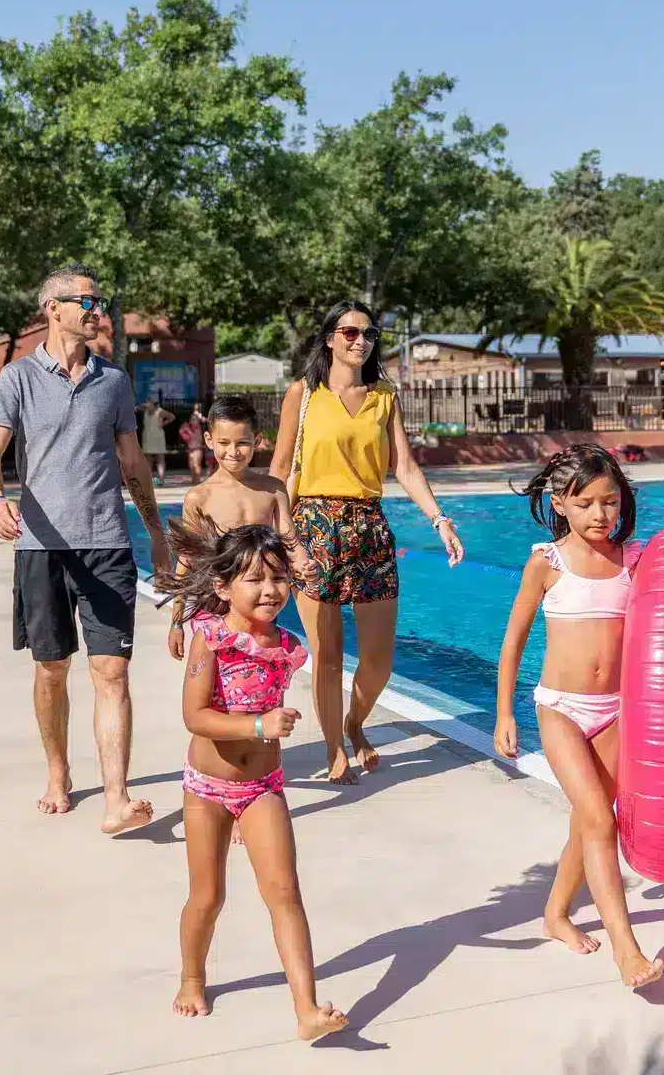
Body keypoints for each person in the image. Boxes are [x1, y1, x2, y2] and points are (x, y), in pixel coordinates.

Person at [0, 263, 171, 834]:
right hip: (41, 547)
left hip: (106, 543)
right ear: (52, 309)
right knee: (51, 669)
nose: (96, 309)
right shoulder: (16, 379)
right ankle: (58, 771)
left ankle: (117, 798)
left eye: (99, 300)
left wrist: (156, 533)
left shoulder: (113, 381)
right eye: (86, 301)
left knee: (112, 671)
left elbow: (132, 463)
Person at [159, 522, 350, 1041]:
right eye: (253, 580)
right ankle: (193, 975)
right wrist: (258, 725)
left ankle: (307, 1009)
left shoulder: (289, 648)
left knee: (285, 892)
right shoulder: (209, 638)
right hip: (207, 790)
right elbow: (195, 716)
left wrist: (268, 731)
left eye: (278, 578)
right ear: (223, 587)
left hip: (263, 787)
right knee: (208, 896)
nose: (270, 590)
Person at [271, 301, 466, 784]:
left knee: (379, 659)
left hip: (369, 527)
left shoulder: (383, 395)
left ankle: (356, 723)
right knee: (329, 654)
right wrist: (276, 534)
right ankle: (335, 746)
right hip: (312, 526)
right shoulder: (304, 393)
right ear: (330, 338)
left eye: (369, 333)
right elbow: (281, 470)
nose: (360, 341)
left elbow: (403, 465)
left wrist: (439, 519)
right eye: (350, 332)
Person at [491, 444, 663, 990]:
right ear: (559, 503)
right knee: (600, 819)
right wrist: (503, 712)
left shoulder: (633, 561)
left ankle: (556, 914)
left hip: (615, 710)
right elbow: (513, 639)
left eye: (609, 501)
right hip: (561, 708)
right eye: (585, 502)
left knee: (589, 820)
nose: (599, 514)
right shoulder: (548, 561)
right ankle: (627, 950)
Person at [166, 396, 310, 662]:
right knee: (213, 688)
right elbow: (185, 561)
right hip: (212, 606)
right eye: (224, 443)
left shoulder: (272, 489)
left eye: (242, 443)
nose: (233, 451)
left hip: (258, 608)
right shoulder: (200, 497)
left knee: (257, 686)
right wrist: (177, 622)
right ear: (209, 440)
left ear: (257, 440)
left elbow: (290, 540)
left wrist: (303, 564)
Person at [141, 398, 174, 486]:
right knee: (148, 460)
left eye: (148, 403)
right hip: (148, 437)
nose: (146, 404)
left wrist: (163, 424)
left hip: (158, 437)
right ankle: (149, 480)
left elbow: (171, 416)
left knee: (160, 459)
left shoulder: (159, 411)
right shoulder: (146, 411)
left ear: (152, 404)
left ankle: (161, 479)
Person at [178, 408, 206, 484]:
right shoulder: (192, 428)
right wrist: (183, 430)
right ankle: (194, 480)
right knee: (191, 466)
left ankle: (197, 481)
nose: (192, 421)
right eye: (191, 420)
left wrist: (188, 430)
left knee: (196, 465)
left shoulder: (198, 428)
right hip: (191, 449)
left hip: (197, 449)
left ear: (198, 421)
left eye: (194, 420)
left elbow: (194, 437)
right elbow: (187, 438)